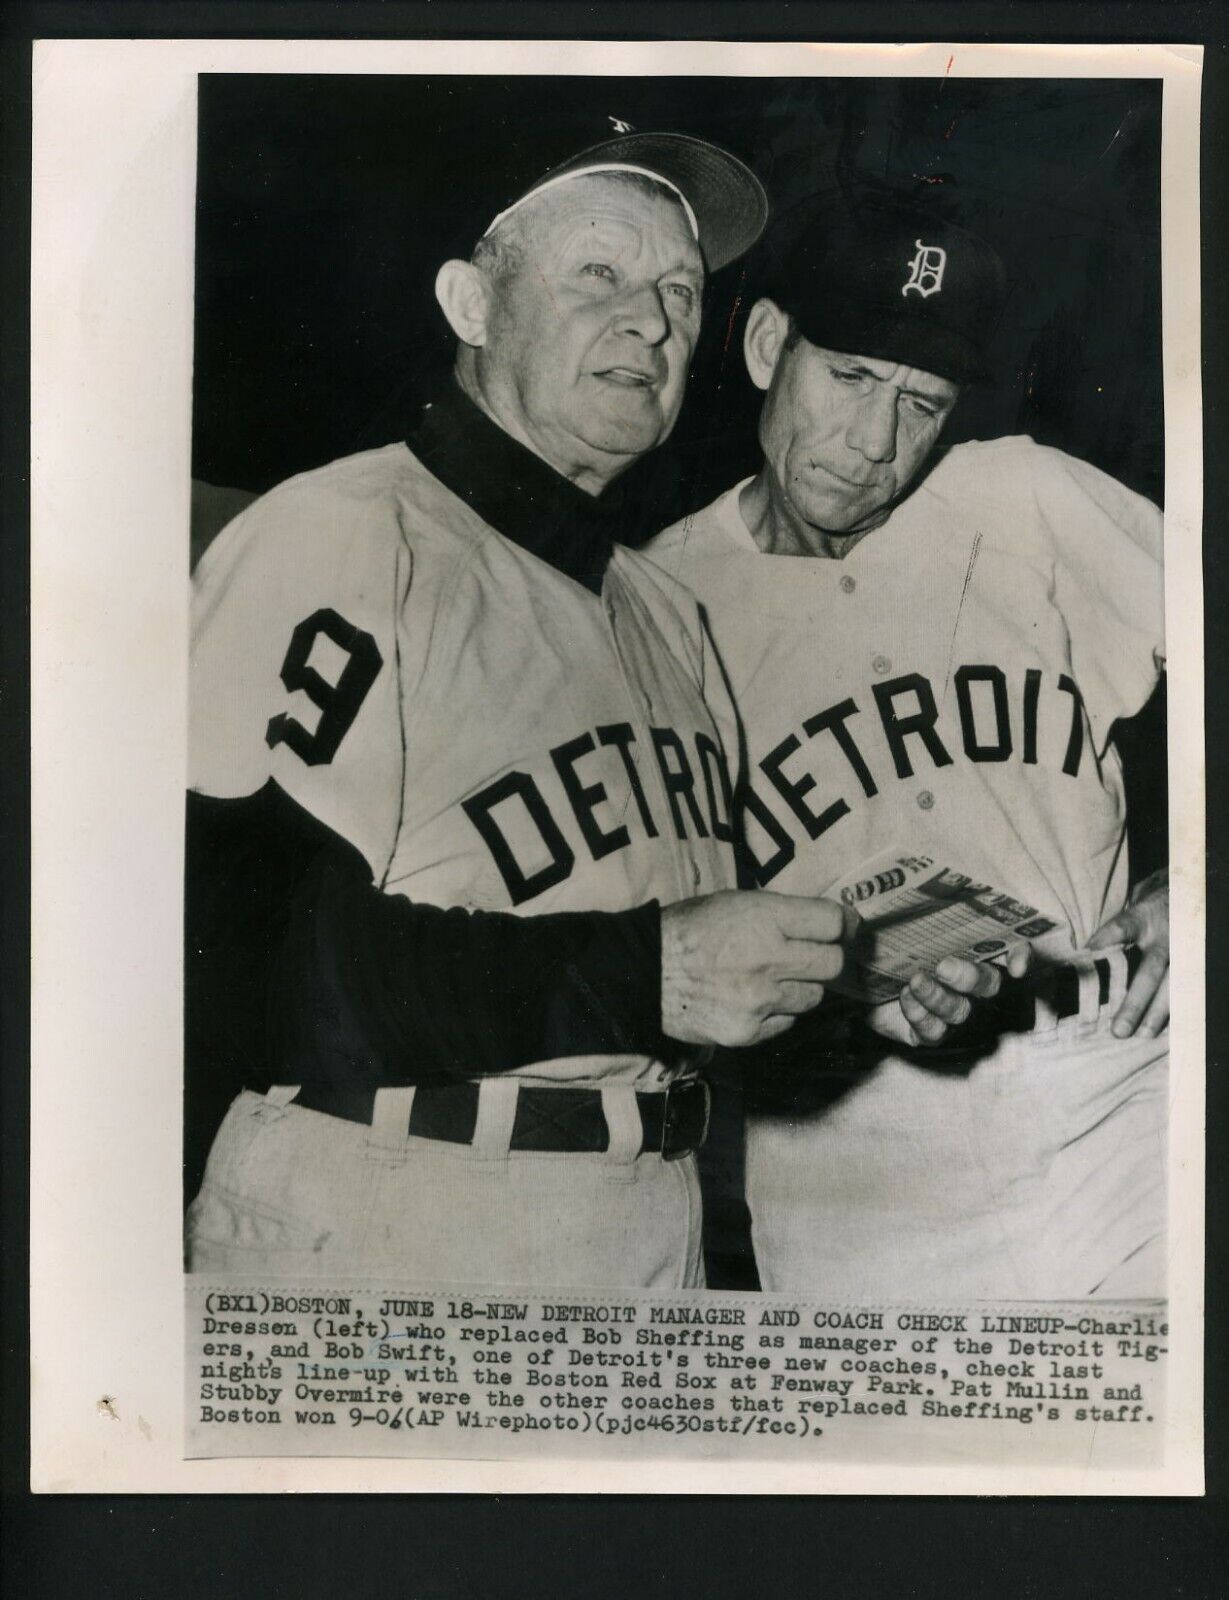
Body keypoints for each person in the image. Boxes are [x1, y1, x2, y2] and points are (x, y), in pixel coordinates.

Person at [186, 131, 922, 1292]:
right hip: (395, 1213)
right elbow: (211, 946)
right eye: (598, 274)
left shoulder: (664, 611)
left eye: (680, 292)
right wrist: (644, 974)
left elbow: (650, 962)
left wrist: (837, 989)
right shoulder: (338, 530)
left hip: (648, 1219)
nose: (652, 322)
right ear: (472, 302)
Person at [647, 196, 1169, 1300]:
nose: (873, 443)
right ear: (762, 344)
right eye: (847, 379)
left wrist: (1199, 880)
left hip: (1112, 1087)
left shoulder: (1023, 498)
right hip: (855, 1166)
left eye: (919, 403)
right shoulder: (654, 600)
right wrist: (833, 980)